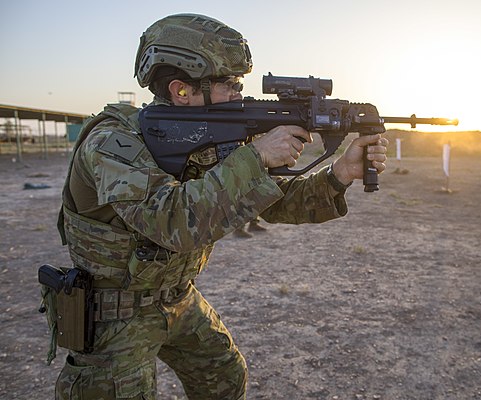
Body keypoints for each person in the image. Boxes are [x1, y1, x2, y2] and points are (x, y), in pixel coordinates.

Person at [52, 13, 388, 399]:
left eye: (239, 83)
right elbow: (172, 222)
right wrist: (256, 155)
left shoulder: (212, 133)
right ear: (181, 91)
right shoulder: (113, 143)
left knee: (224, 378)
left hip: (176, 295)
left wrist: (340, 172)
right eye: (228, 84)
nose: (239, 94)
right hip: (114, 311)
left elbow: (270, 203)